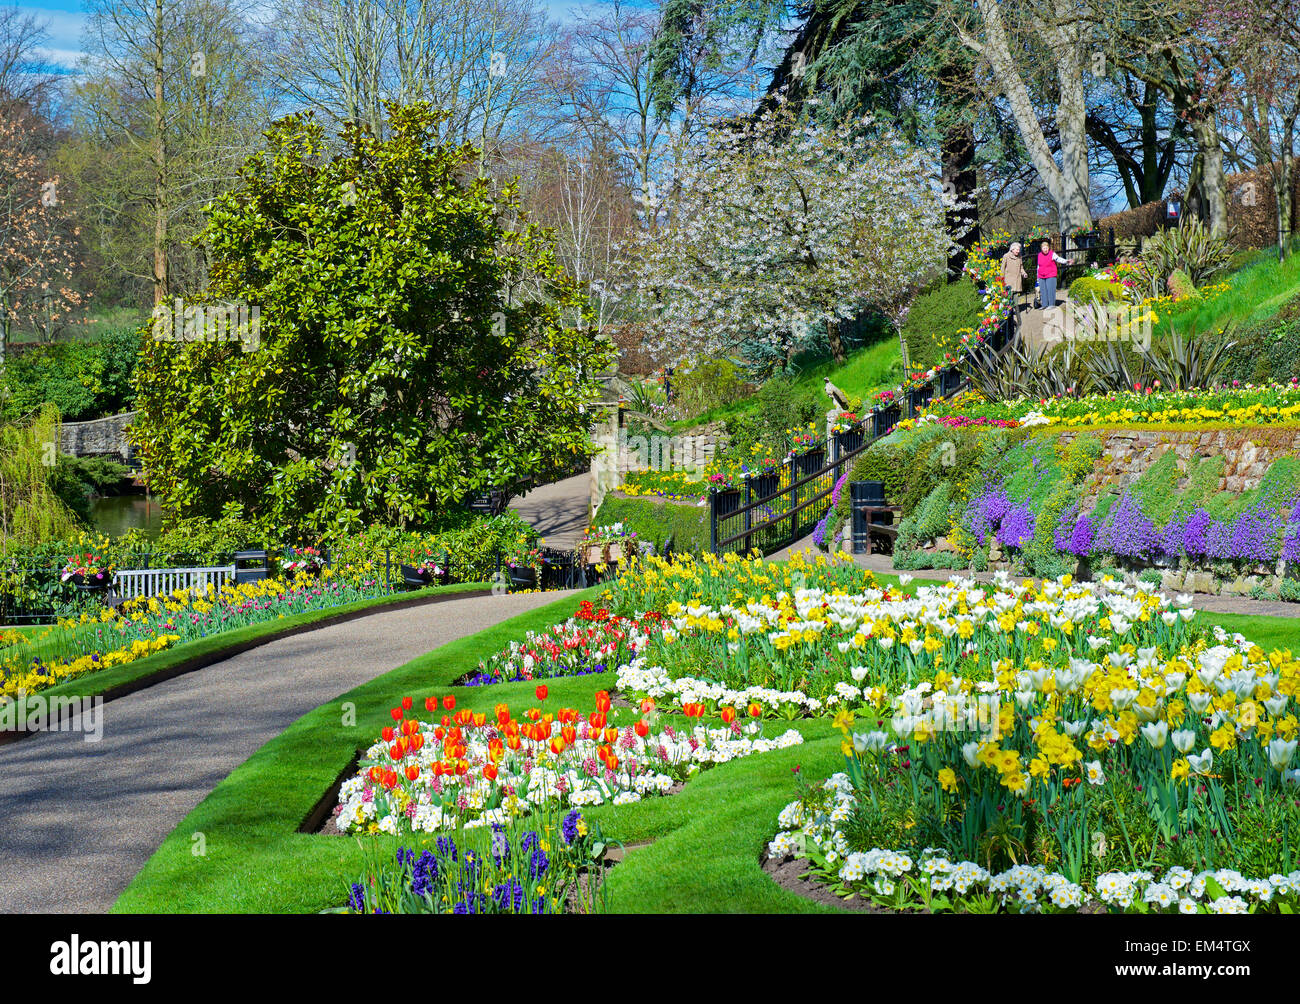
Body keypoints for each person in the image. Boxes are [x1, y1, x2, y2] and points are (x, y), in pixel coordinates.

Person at [1037, 239, 1069, 311]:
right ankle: (1044, 304)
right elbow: (1038, 266)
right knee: (1043, 290)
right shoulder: (1039, 255)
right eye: (1044, 248)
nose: (1045, 249)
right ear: (1041, 249)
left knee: (1050, 290)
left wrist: (1066, 261)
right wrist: (1037, 277)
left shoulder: (1052, 254)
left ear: (1049, 248)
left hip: (1051, 274)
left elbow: (1059, 259)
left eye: (1046, 248)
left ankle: (1051, 304)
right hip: (1041, 275)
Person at [1000, 242, 1026, 325]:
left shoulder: (1019, 257)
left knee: (1015, 299)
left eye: (1019, 250)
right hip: (1008, 281)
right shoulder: (1006, 256)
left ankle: (1017, 315)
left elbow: (1021, 267)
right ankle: (1008, 315)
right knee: (1008, 298)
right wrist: (1001, 280)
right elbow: (1002, 269)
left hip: (1017, 280)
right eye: (1017, 249)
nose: (1018, 251)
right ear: (1012, 249)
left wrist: (1024, 273)